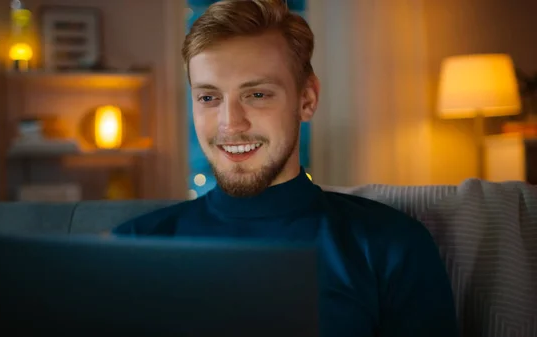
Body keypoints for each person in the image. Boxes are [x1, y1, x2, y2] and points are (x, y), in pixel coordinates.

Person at [113, 0, 459, 335]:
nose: (230, 124)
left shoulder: (389, 245)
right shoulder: (130, 247)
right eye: (208, 97)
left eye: (257, 95)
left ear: (306, 100)